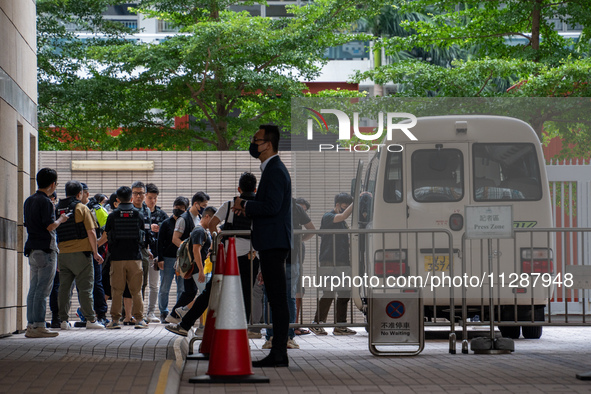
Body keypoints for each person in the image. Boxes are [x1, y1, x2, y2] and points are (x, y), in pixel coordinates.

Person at [232, 124, 292, 368]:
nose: (252, 144)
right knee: (275, 297)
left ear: (268, 144)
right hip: (271, 241)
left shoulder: (275, 170)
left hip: (274, 242)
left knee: (277, 299)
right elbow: (268, 202)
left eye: (255, 140)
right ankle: (278, 351)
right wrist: (248, 203)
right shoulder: (271, 168)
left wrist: (246, 206)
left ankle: (279, 352)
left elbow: (272, 207)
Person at [208, 172, 260, 332]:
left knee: (224, 291)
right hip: (252, 256)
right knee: (246, 293)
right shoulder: (259, 206)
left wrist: (218, 240)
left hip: (229, 256)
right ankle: (242, 328)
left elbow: (212, 224)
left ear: (239, 189)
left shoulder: (229, 205)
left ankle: (227, 325)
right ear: (256, 189)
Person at [23, 168, 68, 338]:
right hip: (46, 249)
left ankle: (31, 325)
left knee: (33, 289)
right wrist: (61, 219)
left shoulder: (29, 200)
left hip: (32, 248)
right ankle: (40, 326)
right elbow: (50, 226)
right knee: (43, 290)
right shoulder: (47, 202)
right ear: (52, 184)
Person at [55, 181, 105, 330]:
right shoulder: (81, 208)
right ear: (79, 194)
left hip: (63, 255)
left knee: (64, 288)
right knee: (85, 288)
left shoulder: (57, 209)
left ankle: (63, 321)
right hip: (81, 255)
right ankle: (90, 319)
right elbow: (91, 232)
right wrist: (95, 252)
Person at [165, 207, 218, 336]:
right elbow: (196, 251)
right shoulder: (199, 231)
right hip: (198, 269)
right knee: (207, 296)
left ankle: (185, 311)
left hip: (200, 268)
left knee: (205, 295)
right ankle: (186, 313)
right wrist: (200, 270)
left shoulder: (201, 230)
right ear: (207, 217)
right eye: (213, 220)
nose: (214, 224)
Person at [310, 192, 357, 336]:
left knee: (344, 292)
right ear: (337, 205)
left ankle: (340, 325)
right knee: (328, 292)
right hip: (328, 259)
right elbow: (342, 216)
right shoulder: (328, 216)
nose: (346, 210)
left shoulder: (343, 223)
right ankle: (317, 323)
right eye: (344, 207)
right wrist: (357, 201)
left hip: (342, 260)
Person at [103, 186, 147, 329]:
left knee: (117, 291)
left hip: (117, 259)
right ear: (131, 198)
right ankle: (139, 320)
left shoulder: (112, 215)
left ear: (117, 199)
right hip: (135, 258)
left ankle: (115, 321)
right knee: (136, 290)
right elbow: (143, 236)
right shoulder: (138, 214)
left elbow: (107, 235)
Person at [165, 191, 210, 323]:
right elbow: (175, 239)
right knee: (198, 291)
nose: (204, 207)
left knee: (190, 291)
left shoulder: (198, 218)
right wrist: (189, 251)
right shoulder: (183, 219)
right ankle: (179, 315)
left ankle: (176, 315)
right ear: (196, 204)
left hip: (197, 260)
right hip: (190, 261)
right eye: (203, 205)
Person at [157, 196, 188, 323]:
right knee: (165, 287)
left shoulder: (186, 223)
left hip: (182, 259)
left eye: (181, 208)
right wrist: (160, 258)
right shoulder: (166, 223)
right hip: (168, 258)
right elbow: (159, 242)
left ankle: (177, 313)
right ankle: (163, 312)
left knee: (182, 287)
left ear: (186, 209)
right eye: (176, 207)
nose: (178, 210)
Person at [145, 183, 169, 323]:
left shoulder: (161, 214)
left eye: (155, 198)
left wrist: (159, 228)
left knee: (154, 285)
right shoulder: (140, 213)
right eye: (150, 197)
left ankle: (151, 312)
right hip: (141, 254)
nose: (152, 200)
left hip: (156, 255)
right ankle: (137, 313)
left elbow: (168, 232)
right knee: (138, 285)